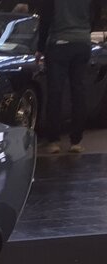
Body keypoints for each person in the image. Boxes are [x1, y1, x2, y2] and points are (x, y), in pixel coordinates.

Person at [36, 0, 104, 153]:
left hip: (59, 43)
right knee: (78, 91)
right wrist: (84, 32)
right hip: (82, 44)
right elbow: (96, 15)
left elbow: (45, 19)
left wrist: (40, 48)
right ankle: (76, 141)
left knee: (55, 92)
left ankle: (54, 140)